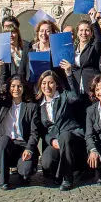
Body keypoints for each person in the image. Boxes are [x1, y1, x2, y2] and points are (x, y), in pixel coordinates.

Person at [0, 63, 41, 190]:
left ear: (23, 88)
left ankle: (23, 171)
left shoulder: (31, 107)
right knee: (3, 140)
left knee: (26, 171)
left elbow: (34, 132)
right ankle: (3, 181)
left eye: (19, 86)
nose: (16, 89)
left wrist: (29, 149)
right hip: (7, 146)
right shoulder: (3, 104)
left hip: (23, 146)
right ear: (9, 88)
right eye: (13, 86)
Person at [36, 63, 86, 191]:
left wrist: (69, 74)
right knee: (46, 161)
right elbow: (43, 131)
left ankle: (67, 178)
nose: (47, 86)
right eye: (44, 83)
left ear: (56, 84)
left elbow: (76, 95)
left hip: (72, 137)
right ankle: (64, 170)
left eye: (50, 83)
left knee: (65, 136)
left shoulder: (64, 96)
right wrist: (51, 141)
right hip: (56, 142)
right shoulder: (39, 105)